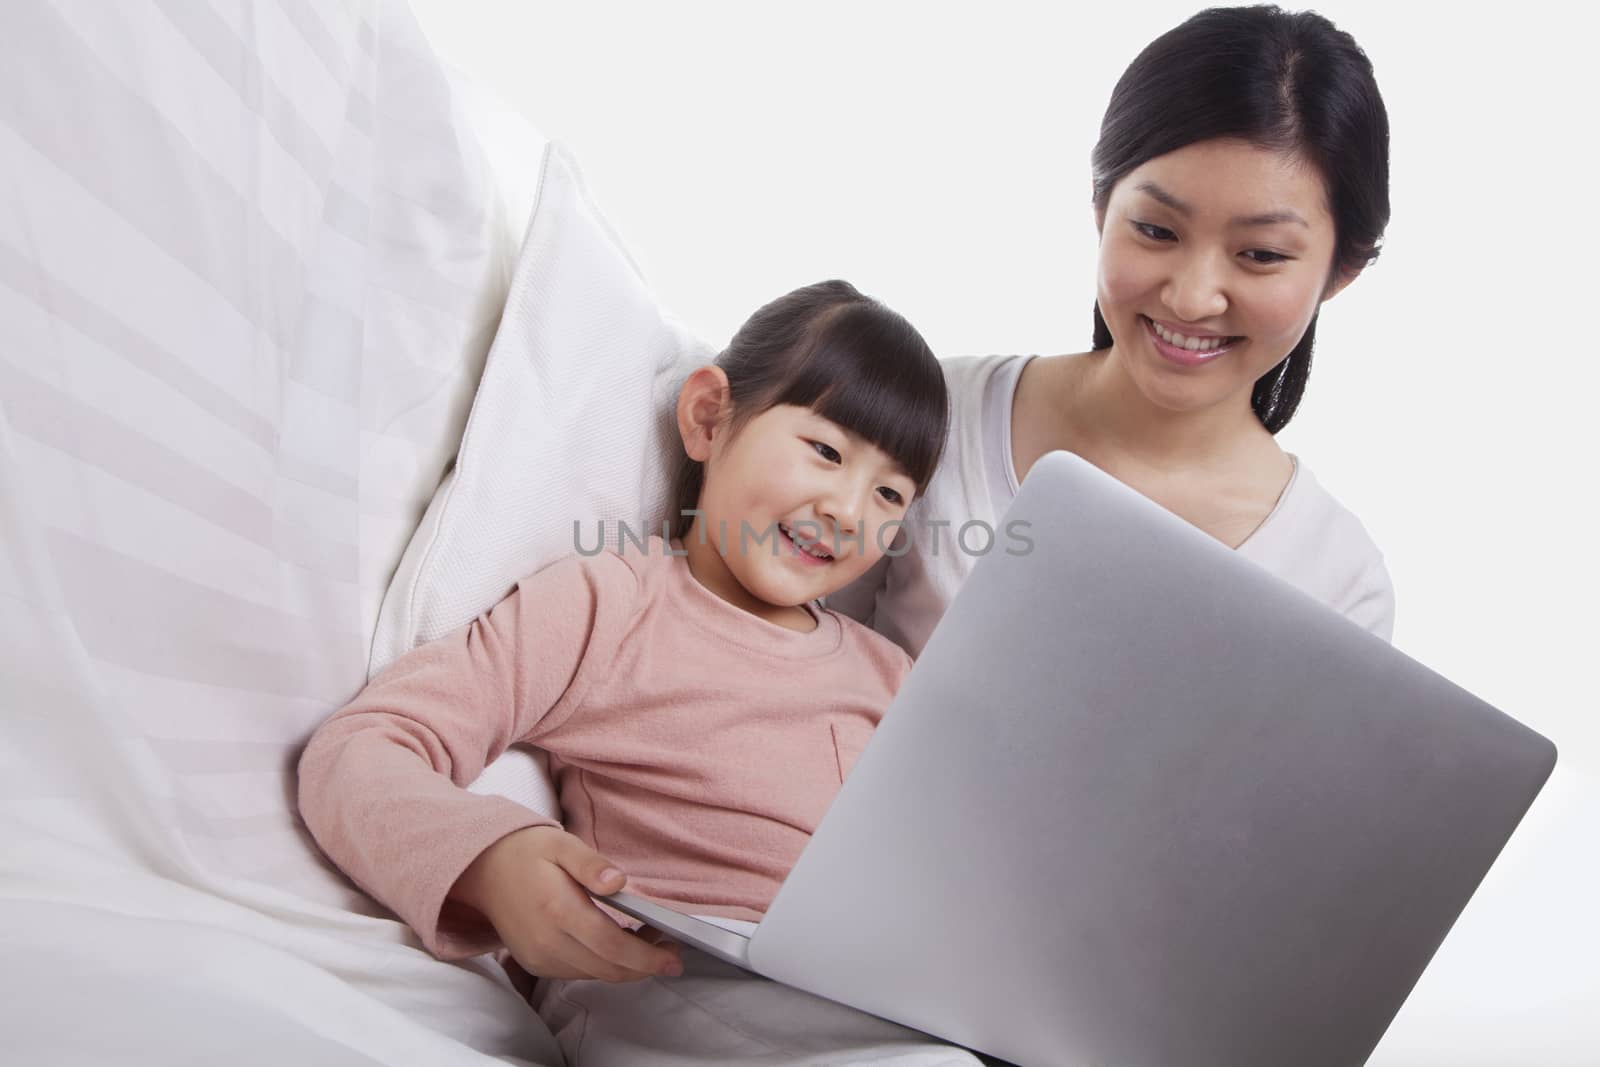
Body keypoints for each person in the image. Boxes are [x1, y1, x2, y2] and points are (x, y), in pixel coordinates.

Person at [298, 280, 985, 1063]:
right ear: (706, 417)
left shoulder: (889, 676)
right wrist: (490, 861)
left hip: (872, 998)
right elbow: (360, 746)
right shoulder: (610, 603)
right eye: (826, 451)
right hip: (671, 980)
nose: (849, 510)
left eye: (890, 492)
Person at [831, 5, 1398, 657]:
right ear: (1101, 208)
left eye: (1261, 254)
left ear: (1342, 268)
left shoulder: (1338, 580)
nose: (1191, 296)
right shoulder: (925, 417)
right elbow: (771, 663)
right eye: (1156, 231)